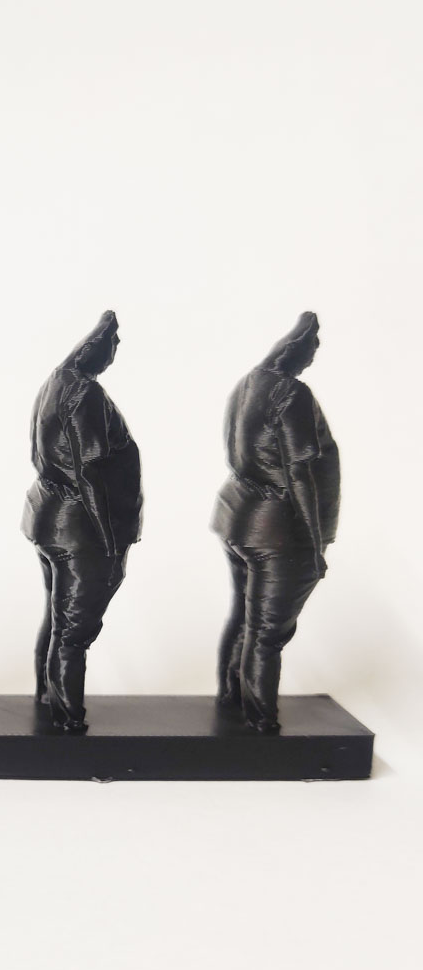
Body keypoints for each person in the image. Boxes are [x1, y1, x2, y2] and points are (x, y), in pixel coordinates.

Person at [212, 312, 339, 733]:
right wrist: (315, 544)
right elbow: (299, 472)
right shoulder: (290, 392)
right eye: (311, 351)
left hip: (237, 517)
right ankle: (261, 722)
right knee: (267, 632)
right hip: (276, 529)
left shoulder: (248, 382)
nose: (312, 359)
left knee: (244, 617)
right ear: (296, 349)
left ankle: (232, 697)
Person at [21, 311, 143, 733]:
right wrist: (109, 540)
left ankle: (48, 697)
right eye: (113, 344)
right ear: (98, 348)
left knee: (58, 621)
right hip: (80, 527)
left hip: (49, 517)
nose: (115, 352)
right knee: (73, 633)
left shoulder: (56, 381)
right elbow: (90, 470)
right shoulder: (83, 392)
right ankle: (68, 719)